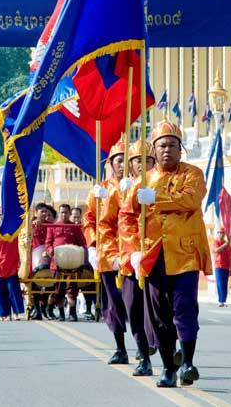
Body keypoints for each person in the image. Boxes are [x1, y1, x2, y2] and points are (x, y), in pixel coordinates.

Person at [129, 120, 212, 388]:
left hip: (185, 253)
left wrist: (155, 199)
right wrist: (131, 250)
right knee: (160, 316)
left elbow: (190, 200)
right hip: (154, 255)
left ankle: (187, 362)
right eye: (162, 146)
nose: (167, 150)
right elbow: (127, 217)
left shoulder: (193, 174)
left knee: (185, 308)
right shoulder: (142, 181)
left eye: (172, 145)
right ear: (154, 150)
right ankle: (167, 367)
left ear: (180, 148)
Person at [86, 141, 130, 362]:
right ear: (111, 163)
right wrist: (92, 245)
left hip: (134, 252)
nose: (122, 164)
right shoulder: (100, 190)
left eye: (126, 159)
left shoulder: (139, 186)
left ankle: (147, 346)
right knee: (113, 303)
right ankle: (120, 348)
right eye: (118, 160)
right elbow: (90, 220)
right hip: (108, 253)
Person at [118, 139, 156, 377]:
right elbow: (120, 222)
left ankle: (166, 349)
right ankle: (143, 353)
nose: (142, 165)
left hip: (158, 257)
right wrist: (131, 251)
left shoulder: (163, 183)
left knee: (159, 310)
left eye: (147, 160)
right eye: (137, 161)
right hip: (130, 259)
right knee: (133, 309)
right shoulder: (123, 189)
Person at [43, 203, 87, 322]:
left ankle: (73, 313)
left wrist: (80, 252)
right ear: (59, 213)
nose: (64, 214)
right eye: (61, 212)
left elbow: (82, 243)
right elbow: (48, 243)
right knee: (58, 289)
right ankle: (61, 313)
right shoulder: (52, 227)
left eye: (66, 212)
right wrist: (50, 250)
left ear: (69, 213)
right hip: (57, 263)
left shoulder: (75, 227)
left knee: (72, 288)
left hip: (73, 264)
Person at [213, 228, 231, 307]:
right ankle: (220, 300)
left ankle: (224, 300)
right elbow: (217, 250)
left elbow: (230, 257)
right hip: (218, 266)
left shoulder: (226, 243)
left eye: (223, 233)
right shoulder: (216, 242)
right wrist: (225, 245)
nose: (221, 234)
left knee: (225, 284)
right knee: (220, 284)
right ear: (217, 233)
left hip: (226, 267)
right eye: (220, 233)